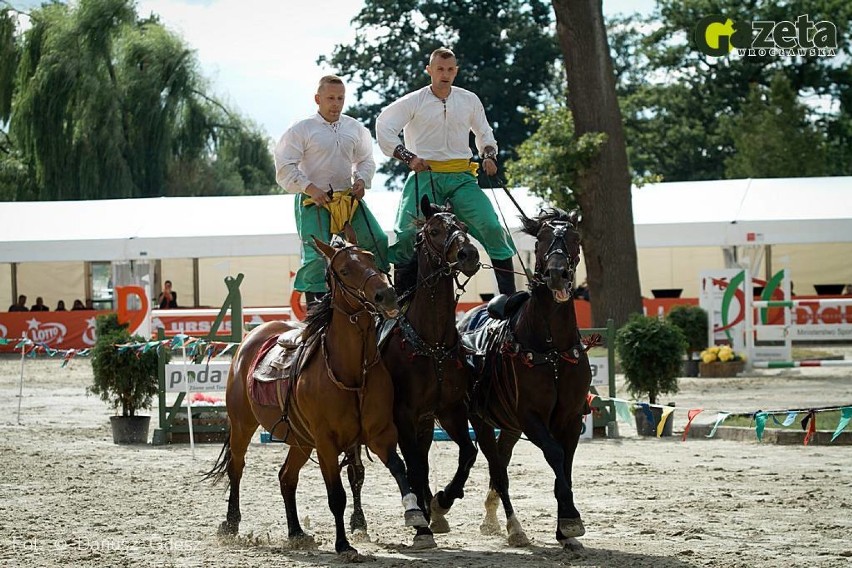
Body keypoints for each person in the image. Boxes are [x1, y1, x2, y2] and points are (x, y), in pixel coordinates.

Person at [375, 47, 517, 296]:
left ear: (456, 71)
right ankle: (402, 300)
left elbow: (484, 132)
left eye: (450, 69)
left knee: (492, 226)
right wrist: (408, 157)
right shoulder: (414, 100)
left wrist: (489, 155)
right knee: (407, 232)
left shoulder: (469, 99)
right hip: (424, 175)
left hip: (462, 177)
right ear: (429, 70)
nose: (445, 74)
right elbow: (383, 125)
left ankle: (509, 298)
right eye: (440, 69)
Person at [274, 74, 388, 308]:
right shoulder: (302, 129)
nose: (336, 103)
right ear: (318, 99)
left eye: (340, 98)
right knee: (315, 254)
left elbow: (366, 159)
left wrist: (362, 180)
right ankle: (316, 310)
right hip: (314, 200)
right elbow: (285, 164)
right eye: (330, 98)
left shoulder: (354, 128)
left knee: (377, 239)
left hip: (348, 198)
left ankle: (381, 295)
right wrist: (309, 187)